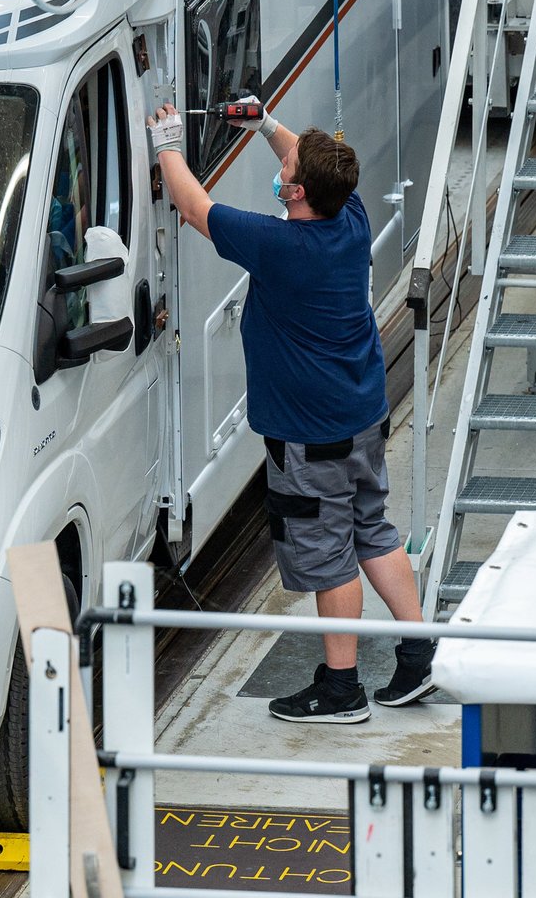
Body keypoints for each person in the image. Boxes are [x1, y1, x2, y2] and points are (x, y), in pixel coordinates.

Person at [148, 101, 434, 724]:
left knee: (331, 557)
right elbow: (296, 163)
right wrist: (267, 125)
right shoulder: (349, 215)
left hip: (311, 436)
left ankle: (341, 689)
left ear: (297, 191)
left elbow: (194, 207)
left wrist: (167, 142)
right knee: (372, 530)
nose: (283, 167)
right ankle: (419, 656)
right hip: (362, 414)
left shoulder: (280, 245)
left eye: (289, 167)